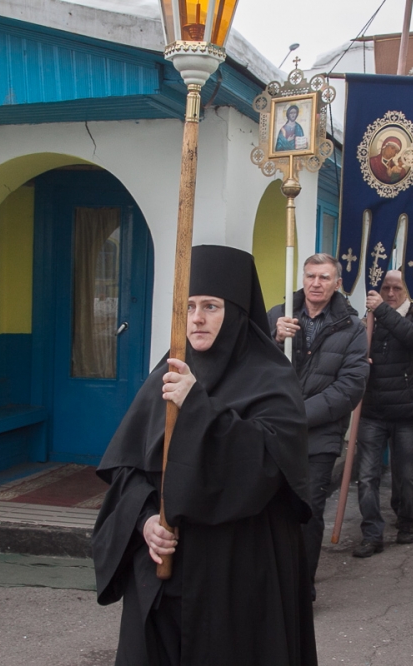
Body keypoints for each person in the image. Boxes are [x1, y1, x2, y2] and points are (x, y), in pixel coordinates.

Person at [92, 245, 317, 665]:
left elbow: (269, 468)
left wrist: (197, 407)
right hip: (164, 577)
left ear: (235, 312)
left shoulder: (270, 377)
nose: (196, 317)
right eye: (189, 306)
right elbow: (128, 471)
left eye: (211, 306)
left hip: (238, 575)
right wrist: (145, 522)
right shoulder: (169, 371)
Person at [269, 253, 369, 601]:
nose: (315, 283)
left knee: (307, 510)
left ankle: (300, 588)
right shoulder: (279, 315)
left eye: (324, 278)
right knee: (269, 508)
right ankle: (270, 581)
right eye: (310, 276)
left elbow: (351, 386)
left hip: (319, 436)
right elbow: (250, 365)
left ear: (337, 283)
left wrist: (297, 414)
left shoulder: (352, 328)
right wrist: (273, 337)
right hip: (272, 433)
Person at [353, 270, 413, 557]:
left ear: (407, 291)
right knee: (367, 475)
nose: (390, 293)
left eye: (396, 288)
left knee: (407, 474)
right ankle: (372, 532)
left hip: (407, 411)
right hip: (373, 410)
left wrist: (381, 310)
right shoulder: (369, 320)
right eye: (385, 288)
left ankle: (407, 521)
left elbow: (412, 338)